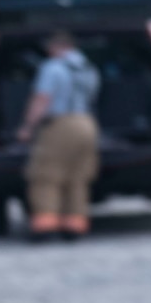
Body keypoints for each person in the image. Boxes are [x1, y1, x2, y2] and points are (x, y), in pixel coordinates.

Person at [16, 29, 101, 242]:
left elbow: (42, 99)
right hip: (87, 123)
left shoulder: (52, 68)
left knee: (46, 176)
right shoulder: (89, 68)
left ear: (58, 47)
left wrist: (27, 126)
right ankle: (75, 226)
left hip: (61, 124)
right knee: (78, 177)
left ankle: (45, 227)